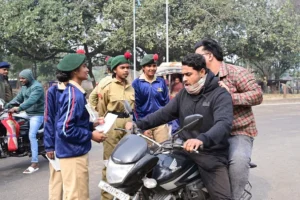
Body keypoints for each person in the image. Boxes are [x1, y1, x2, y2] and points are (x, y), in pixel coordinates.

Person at [126, 53, 233, 200]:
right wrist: (138, 124)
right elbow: (164, 113)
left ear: (202, 72)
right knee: (152, 177)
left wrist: (202, 139)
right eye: (183, 75)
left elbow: (224, 123)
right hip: (182, 149)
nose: (184, 79)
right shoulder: (184, 94)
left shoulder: (220, 95)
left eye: (189, 74)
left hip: (210, 154)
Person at [194, 38, 263, 200]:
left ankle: (235, 197)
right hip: (212, 132)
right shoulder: (201, 78)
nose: (195, 59)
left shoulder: (236, 72)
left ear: (209, 55)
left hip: (238, 131)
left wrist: (230, 97)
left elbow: (257, 95)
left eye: (197, 55)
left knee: (238, 162)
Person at [56, 53, 107, 200]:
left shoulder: (76, 92)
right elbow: (65, 129)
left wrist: (92, 125)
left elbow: (73, 123)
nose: (87, 69)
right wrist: (91, 135)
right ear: (74, 71)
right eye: (84, 66)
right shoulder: (73, 95)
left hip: (74, 152)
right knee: (77, 195)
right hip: (72, 154)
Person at [97, 53, 135, 200]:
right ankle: (107, 196)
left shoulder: (131, 87)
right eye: (122, 68)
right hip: (111, 124)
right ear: (114, 70)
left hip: (127, 124)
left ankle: (123, 194)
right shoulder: (107, 86)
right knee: (109, 162)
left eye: (128, 68)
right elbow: (101, 109)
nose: (126, 70)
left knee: (127, 161)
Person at [5, 69, 44, 173]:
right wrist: (7, 105)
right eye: (20, 78)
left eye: (23, 78)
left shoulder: (37, 87)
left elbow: (31, 100)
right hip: (27, 113)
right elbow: (18, 98)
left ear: (29, 77)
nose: (21, 80)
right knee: (11, 121)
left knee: (32, 135)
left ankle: (35, 163)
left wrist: (18, 108)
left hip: (37, 114)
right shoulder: (24, 87)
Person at [132, 54, 170, 143]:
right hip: (145, 123)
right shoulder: (137, 83)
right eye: (149, 66)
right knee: (147, 152)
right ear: (143, 68)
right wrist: (142, 127)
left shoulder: (161, 82)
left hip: (160, 122)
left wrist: (169, 122)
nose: (152, 68)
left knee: (163, 150)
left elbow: (167, 103)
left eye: (154, 66)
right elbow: (136, 107)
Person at [44, 70, 69, 200]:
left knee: (70, 184)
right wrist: (49, 146)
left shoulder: (77, 90)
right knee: (57, 180)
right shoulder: (53, 92)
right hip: (58, 144)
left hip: (72, 145)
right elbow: (48, 118)